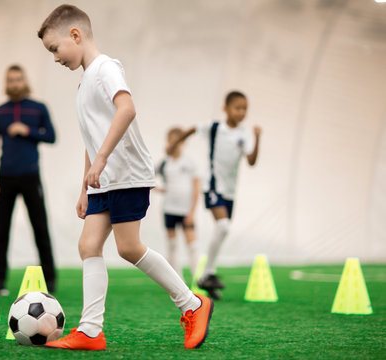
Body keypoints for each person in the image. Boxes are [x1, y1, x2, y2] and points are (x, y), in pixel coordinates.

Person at [37, 4, 213, 351]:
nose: (55, 58)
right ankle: (90, 331)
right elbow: (93, 137)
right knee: (88, 245)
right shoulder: (84, 82)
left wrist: (101, 160)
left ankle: (192, 304)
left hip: (127, 174)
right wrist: (85, 186)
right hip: (104, 179)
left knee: (129, 248)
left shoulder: (105, 68)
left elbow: (127, 108)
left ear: (76, 35)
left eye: (55, 49)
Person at [168, 91, 261, 299]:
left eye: (245, 108)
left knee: (223, 229)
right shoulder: (215, 127)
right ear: (225, 109)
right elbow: (192, 129)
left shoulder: (244, 134)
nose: (241, 112)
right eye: (237, 107)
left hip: (229, 191)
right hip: (212, 186)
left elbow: (252, 161)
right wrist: (175, 143)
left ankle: (207, 277)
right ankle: (207, 273)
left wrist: (257, 137)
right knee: (223, 225)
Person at [0, 64, 57, 295]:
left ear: (24, 81)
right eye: (10, 80)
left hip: (30, 176)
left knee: (40, 228)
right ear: (6, 84)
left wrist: (28, 131)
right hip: (5, 177)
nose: (15, 84)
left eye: (18, 79)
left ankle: (50, 280)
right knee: (2, 231)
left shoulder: (38, 108)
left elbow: (52, 136)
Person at [156, 127, 200, 278]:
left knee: (192, 245)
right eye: (172, 141)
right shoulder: (164, 163)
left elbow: (196, 188)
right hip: (169, 208)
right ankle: (177, 280)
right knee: (172, 245)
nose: (175, 144)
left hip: (186, 209)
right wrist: (159, 189)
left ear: (183, 142)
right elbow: (147, 176)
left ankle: (198, 279)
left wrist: (192, 212)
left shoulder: (190, 162)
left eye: (179, 141)